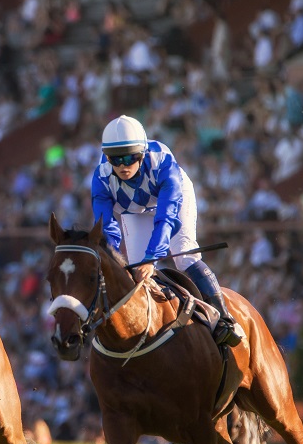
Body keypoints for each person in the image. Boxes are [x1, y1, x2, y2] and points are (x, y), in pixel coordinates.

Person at [91, 115, 242, 347]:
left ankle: (224, 319)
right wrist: (115, 259)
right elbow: (107, 228)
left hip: (170, 202)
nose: (122, 165)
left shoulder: (162, 162)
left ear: (141, 153)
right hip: (134, 210)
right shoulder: (101, 176)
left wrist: (152, 258)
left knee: (184, 254)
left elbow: (166, 218)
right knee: (136, 271)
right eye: (115, 159)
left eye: (130, 157)